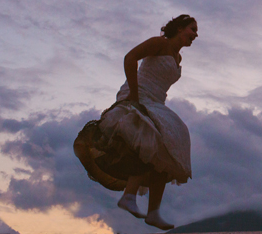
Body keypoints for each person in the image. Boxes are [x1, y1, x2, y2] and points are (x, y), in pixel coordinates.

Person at [74, 15, 198, 230]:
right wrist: (133, 92)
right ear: (179, 28)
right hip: (137, 94)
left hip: (156, 102)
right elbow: (130, 58)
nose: (195, 34)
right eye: (192, 29)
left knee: (169, 145)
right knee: (151, 141)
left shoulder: (178, 58)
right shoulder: (159, 43)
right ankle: (129, 196)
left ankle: (153, 213)